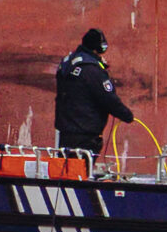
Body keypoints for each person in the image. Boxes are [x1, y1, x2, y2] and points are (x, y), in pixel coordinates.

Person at [53, 28, 136, 158]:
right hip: (85, 133)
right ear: (98, 48)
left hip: (66, 130)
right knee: (81, 172)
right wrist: (127, 115)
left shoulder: (68, 63)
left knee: (67, 169)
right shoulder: (91, 69)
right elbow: (107, 98)